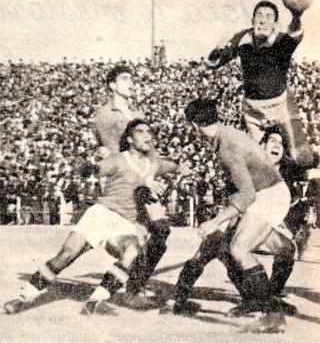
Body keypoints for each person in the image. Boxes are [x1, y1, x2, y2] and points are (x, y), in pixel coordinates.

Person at [3, 119, 181, 316]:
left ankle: (95, 301)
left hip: (124, 222)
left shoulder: (153, 164)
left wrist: (181, 166)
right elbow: (90, 170)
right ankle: (23, 298)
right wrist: (90, 163)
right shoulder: (117, 159)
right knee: (66, 255)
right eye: (141, 131)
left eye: (149, 131)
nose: (147, 135)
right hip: (101, 214)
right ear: (130, 139)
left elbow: (171, 166)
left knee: (132, 250)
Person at [173, 98, 294, 333]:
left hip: (267, 195)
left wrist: (214, 221)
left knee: (239, 249)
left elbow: (247, 193)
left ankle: (273, 313)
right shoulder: (225, 135)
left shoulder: (225, 145)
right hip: (267, 194)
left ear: (194, 125)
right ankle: (259, 301)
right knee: (239, 247)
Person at [91, 65, 173, 308]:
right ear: (112, 85)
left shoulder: (136, 111)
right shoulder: (106, 114)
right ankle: (128, 287)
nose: (132, 82)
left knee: (159, 231)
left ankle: (132, 284)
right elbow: (116, 156)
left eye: (133, 79)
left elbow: (147, 149)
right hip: (128, 182)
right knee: (142, 233)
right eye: (125, 79)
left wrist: (154, 171)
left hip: (144, 176)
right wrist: (144, 177)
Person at [208, 0, 315, 168]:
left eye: (268, 16)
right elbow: (213, 63)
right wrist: (218, 49)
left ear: (275, 24)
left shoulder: (281, 41)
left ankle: (299, 178)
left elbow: (295, 34)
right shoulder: (243, 38)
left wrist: (296, 15)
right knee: (257, 163)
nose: (263, 20)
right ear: (252, 21)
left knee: (301, 157)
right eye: (259, 16)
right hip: (253, 111)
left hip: (281, 106)